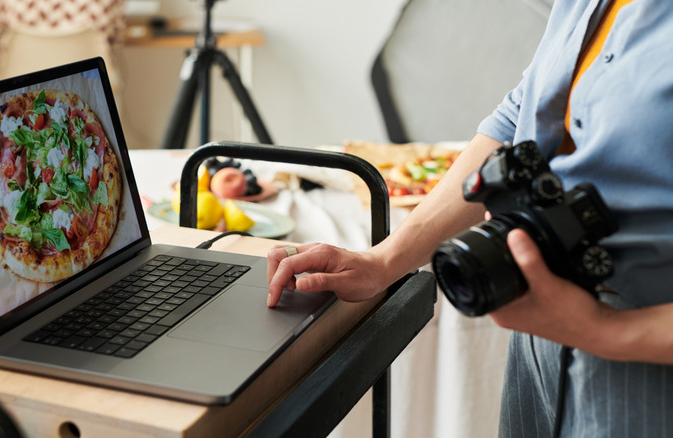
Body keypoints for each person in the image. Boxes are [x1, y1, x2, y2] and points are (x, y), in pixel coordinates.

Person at [267, 0, 673, 435]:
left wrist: (608, 331)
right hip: (541, 321)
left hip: (642, 345)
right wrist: (382, 261)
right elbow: (517, 119)